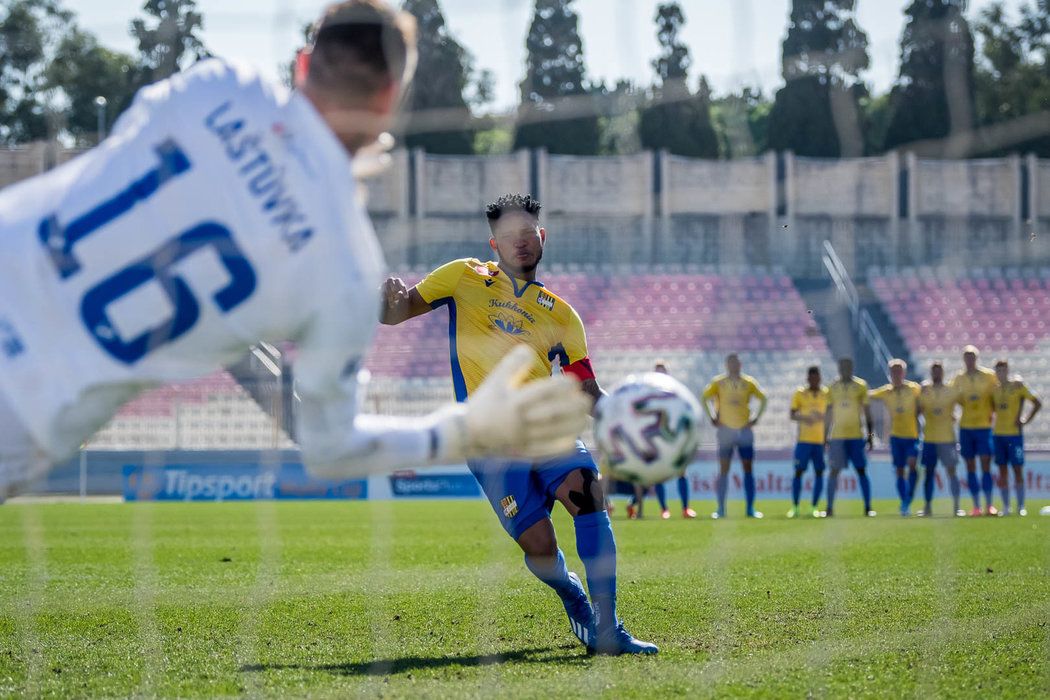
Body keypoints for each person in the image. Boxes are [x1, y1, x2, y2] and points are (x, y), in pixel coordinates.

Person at [0, 1, 591, 501]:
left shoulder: (217, 85)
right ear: (388, 104)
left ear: (304, 62)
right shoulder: (343, 262)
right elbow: (331, 448)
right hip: (25, 414)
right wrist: (459, 430)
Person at [379, 194, 655, 656]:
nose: (520, 244)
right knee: (540, 545)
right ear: (495, 244)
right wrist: (384, 301)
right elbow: (397, 312)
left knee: (588, 492)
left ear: (541, 237)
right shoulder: (463, 276)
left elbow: (583, 384)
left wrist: (624, 421)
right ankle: (575, 600)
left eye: (528, 235)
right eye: (509, 237)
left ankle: (609, 627)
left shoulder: (561, 312)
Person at [702, 354, 768, 519]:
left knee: (748, 469)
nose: (733, 366)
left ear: (740, 364)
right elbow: (704, 398)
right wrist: (712, 416)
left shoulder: (748, 383)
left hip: (744, 431)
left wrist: (755, 419)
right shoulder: (719, 383)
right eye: (731, 363)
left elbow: (763, 398)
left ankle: (750, 509)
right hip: (725, 432)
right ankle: (721, 509)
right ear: (726, 365)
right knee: (724, 470)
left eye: (736, 363)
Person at [627, 360, 695, 519]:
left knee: (681, 471)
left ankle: (686, 509)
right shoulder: (648, 394)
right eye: (657, 372)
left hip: (673, 436)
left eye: (663, 371)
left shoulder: (676, 393)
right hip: (656, 437)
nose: (660, 375)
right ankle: (664, 509)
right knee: (659, 473)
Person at [869, 360, 922, 517]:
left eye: (899, 371)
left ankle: (908, 498)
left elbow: (925, 395)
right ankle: (905, 502)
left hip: (912, 436)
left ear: (904, 373)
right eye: (893, 371)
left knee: (912, 465)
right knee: (899, 470)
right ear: (889, 373)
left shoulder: (913, 389)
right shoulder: (886, 391)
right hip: (896, 437)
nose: (896, 374)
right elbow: (868, 395)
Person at [951, 346, 999, 516]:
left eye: (972, 356)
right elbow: (950, 397)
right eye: (967, 357)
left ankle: (989, 505)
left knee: (985, 464)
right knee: (970, 466)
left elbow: (998, 395)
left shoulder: (988, 376)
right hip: (966, 428)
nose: (969, 360)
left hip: (984, 428)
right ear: (963, 359)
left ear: (977, 358)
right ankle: (976, 506)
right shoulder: (958, 378)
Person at [825, 357, 875, 517]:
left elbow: (868, 413)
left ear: (852, 368)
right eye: (842, 367)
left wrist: (871, 435)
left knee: (861, 470)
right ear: (839, 368)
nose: (845, 369)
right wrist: (824, 436)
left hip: (856, 436)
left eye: (848, 366)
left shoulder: (860, 386)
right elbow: (828, 413)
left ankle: (868, 507)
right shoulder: (832, 387)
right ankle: (829, 508)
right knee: (834, 471)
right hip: (837, 437)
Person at [991, 360, 1042, 516]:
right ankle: (1006, 507)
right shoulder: (994, 390)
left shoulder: (1018, 386)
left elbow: (1037, 402)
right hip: (998, 435)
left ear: (1008, 370)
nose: (1001, 373)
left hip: (1014, 436)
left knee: (1017, 469)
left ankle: (1020, 506)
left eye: (1003, 370)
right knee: (1002, 471)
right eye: (998, 371)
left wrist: (1025, 420)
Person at [917, 361, 963, 517]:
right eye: (934, 371)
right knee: (928, 473)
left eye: (939, 371)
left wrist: (955, 417)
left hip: (947, 439)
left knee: (952, 471)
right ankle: (928, 506)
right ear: (931, 373)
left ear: (943, 373)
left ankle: (956, 507)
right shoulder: (925, 390)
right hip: (929, 438)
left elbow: (966, 404)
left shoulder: (951, 390)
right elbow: (917, 410)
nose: (936, 374)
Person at [787, 366, 829, 518]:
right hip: (803, 441)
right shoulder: (800, 393)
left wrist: (822, 419)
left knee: (819, 472)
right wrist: (806, 418)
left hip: (819, 442)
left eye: (816, 378)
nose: (814, 380)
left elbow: (832, 415)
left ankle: (814, 507)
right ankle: (795, 507)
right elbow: (792, 415)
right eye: (811, 378)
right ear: (807, 378)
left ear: (820, 378)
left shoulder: (826, 394)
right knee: (798, 472)